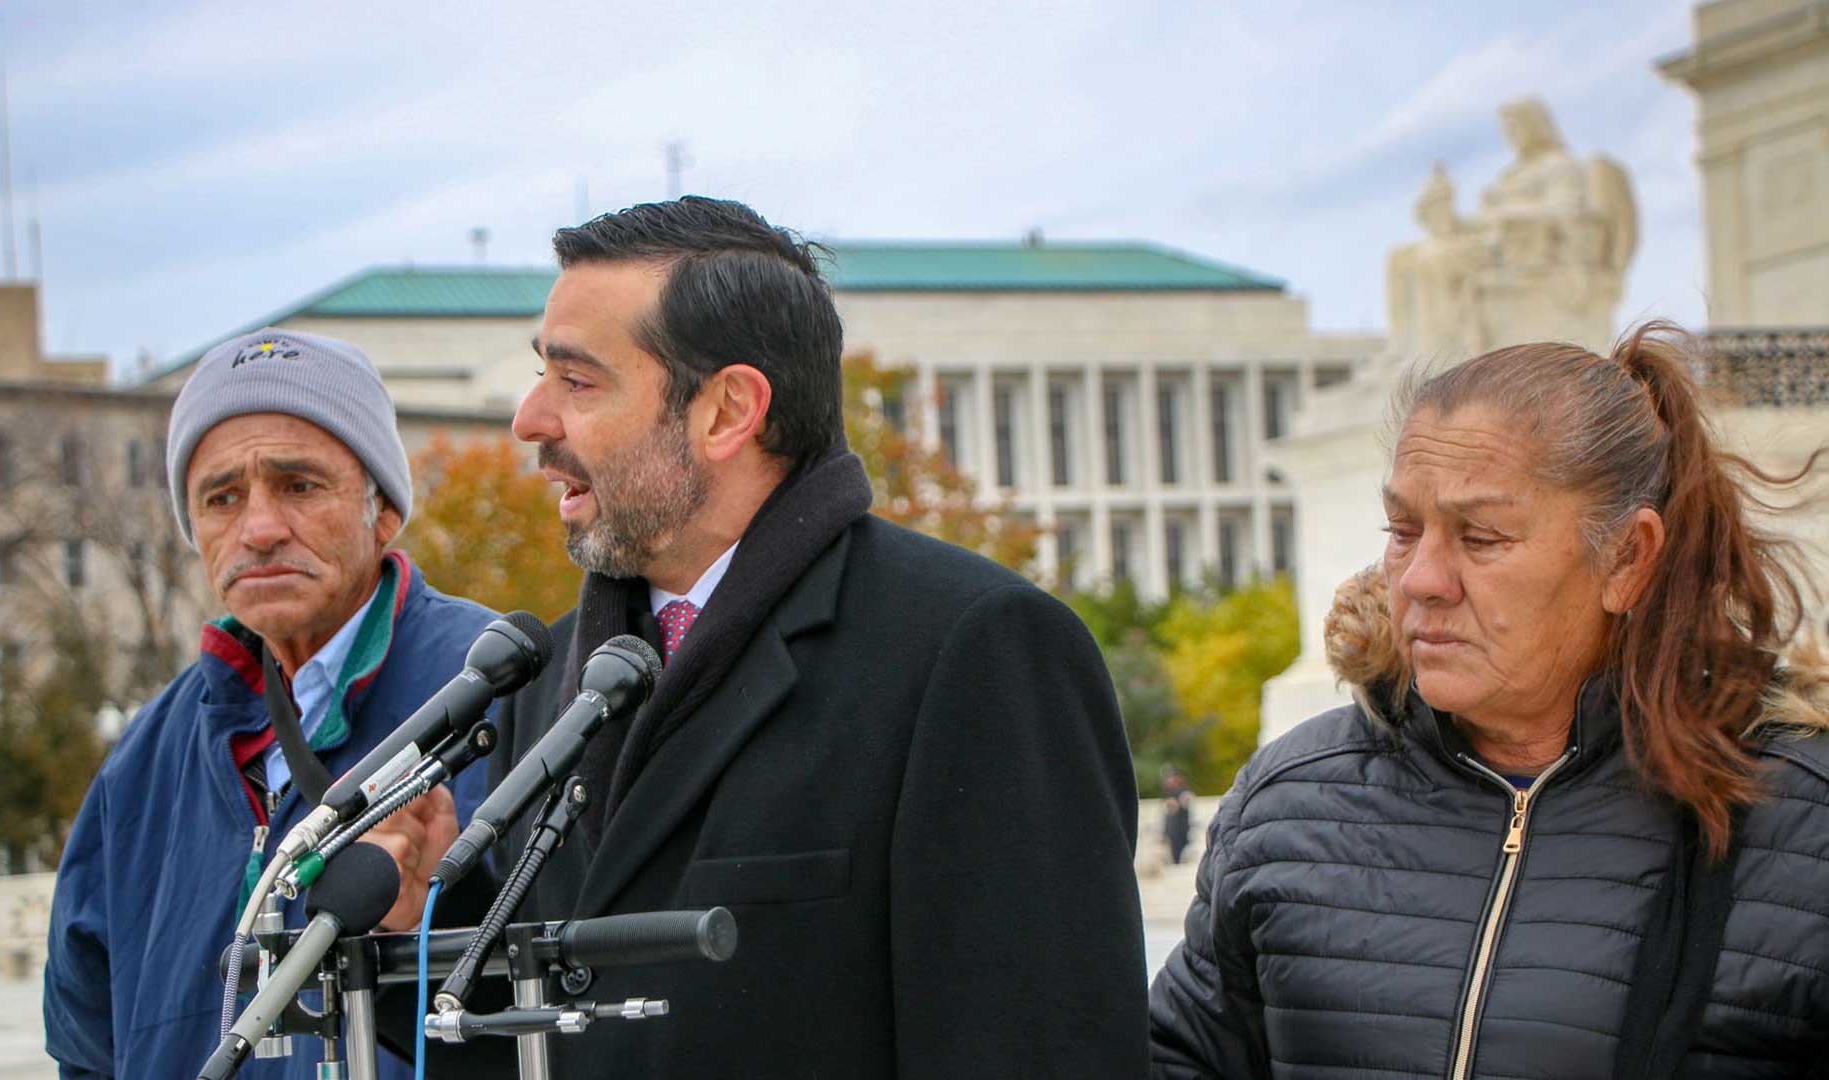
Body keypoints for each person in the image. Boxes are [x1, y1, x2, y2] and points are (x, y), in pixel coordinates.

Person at [408, 197, 1148, 1077]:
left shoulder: (973, 649)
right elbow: (549, 1041)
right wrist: (425, 935)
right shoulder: (545, 682)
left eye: (576, 382)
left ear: (727, 412)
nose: (529, 420)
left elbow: (1038, 1044)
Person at [1149, 323, 1829, 1077]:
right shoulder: (1291, 800)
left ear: (1629, 558)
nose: (1421, 579)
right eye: (1403, 529)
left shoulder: (1800, 818)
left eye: (1482, 537)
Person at [44, 329, 497, 1079]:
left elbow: (558, 1018)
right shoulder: (143, 761)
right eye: (221, 497)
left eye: (299, 485)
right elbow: (87, 1046)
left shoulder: (497, 693)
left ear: (381, 509)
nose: (257, 529)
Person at [1160, 765, 1195, 865]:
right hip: (1172, 829)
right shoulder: (1167, 792)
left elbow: (1187, 799)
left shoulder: (1184, 790)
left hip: (1183, 827)